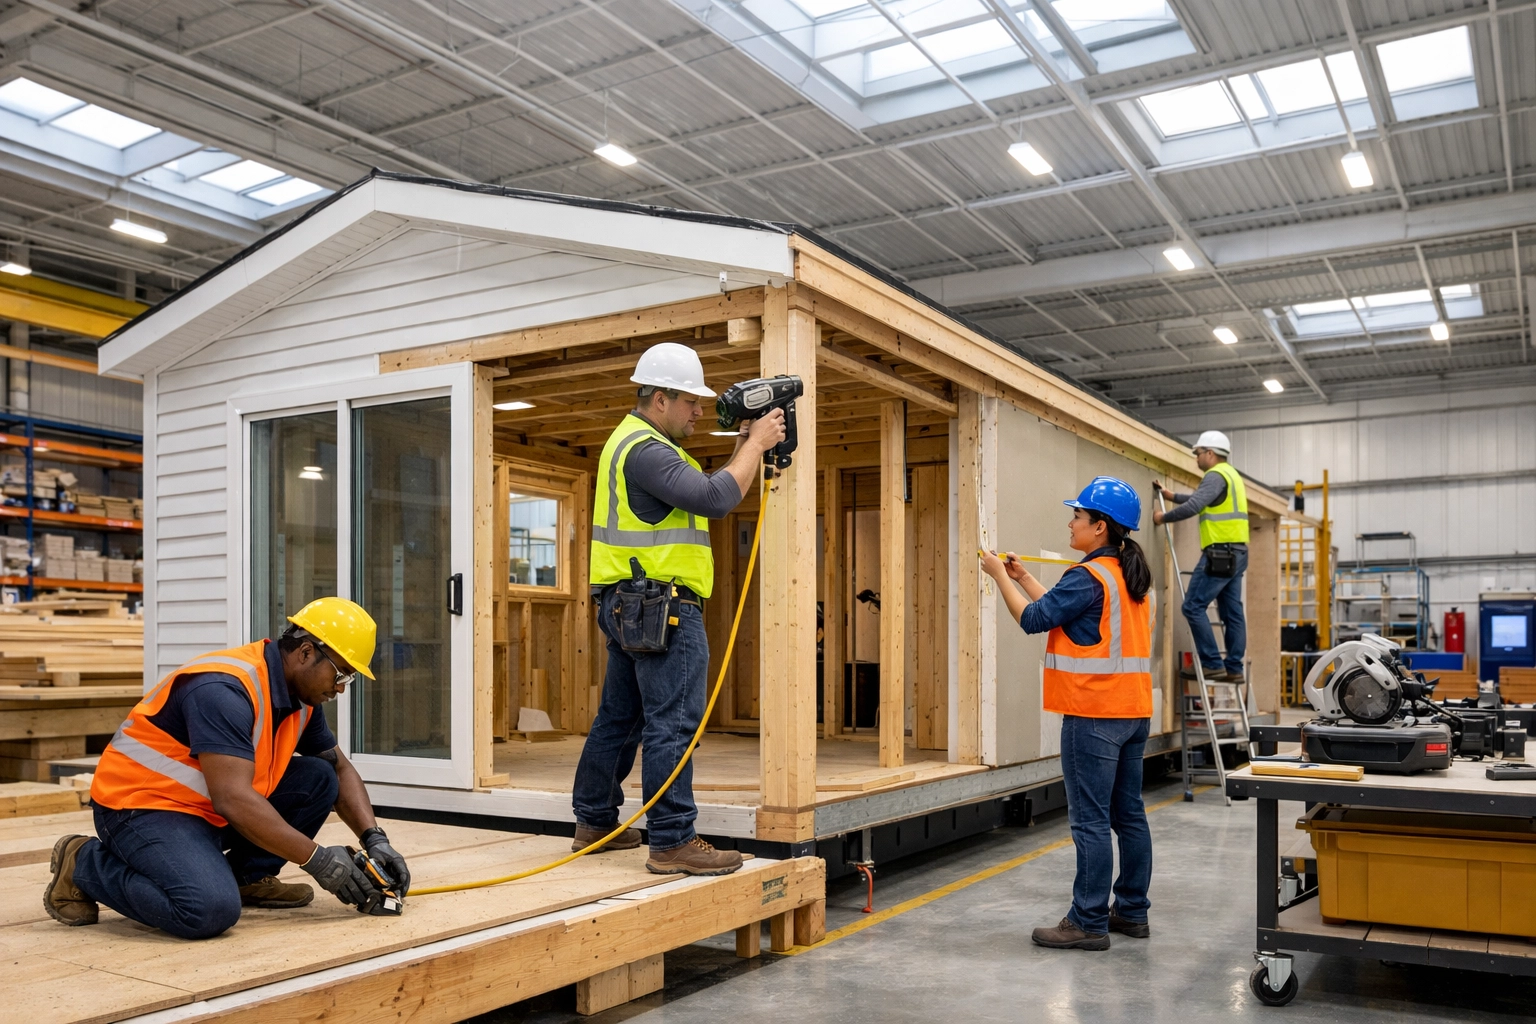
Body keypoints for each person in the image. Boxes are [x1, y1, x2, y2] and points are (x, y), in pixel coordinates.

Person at [43, 597, 411, 939]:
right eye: (341, 674)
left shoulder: (302, 699)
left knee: (319, 777)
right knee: (207, 909)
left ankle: (245, 878)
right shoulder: (224, 689)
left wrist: (375, 839)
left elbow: (340, 770)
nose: (341, 688)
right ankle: (84, 863)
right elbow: (232, 799)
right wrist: (318, 860)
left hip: (203, 812)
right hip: (140, 808)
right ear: (305, 652)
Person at [573, 342, 786, 875]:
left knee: (620, 718)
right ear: (661, 399)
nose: (699, 411)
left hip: (631, 603)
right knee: (673, 723)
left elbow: (712, 489)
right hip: (661, 606)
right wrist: (756, 443)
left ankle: (594, 822)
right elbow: (716, 499)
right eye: (691, 401)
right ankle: (672, 841)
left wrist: (744, 447)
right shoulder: (647, 450)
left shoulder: (635, 444)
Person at [979, 476, 1154, 951]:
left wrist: (996, 576)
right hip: (1133, 712)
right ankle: (1131, 911)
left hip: (1093, 714)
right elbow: (1064, 612)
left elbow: (1034, 619)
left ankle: (1088, 921)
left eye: (1077, 516)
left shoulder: (1088, 576)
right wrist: (1022, 577)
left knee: (1090, 821)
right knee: (1128, 816)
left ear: (1100, 527)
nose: (1071, 523)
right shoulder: (1128, 576)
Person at [1152, 429, 1249, 683]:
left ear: (1210, 453)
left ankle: (1212, 664)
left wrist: (1163, 517)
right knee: (1232, 613)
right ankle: (1234, 668)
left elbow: (1195, 505)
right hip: (1238, 552)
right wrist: (1172, 496)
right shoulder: (1231, 475)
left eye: (1198, 453)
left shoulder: (1214, 475)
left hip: (1220, 553)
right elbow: (1202, 499)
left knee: (1193, 606)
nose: (1196, 458)